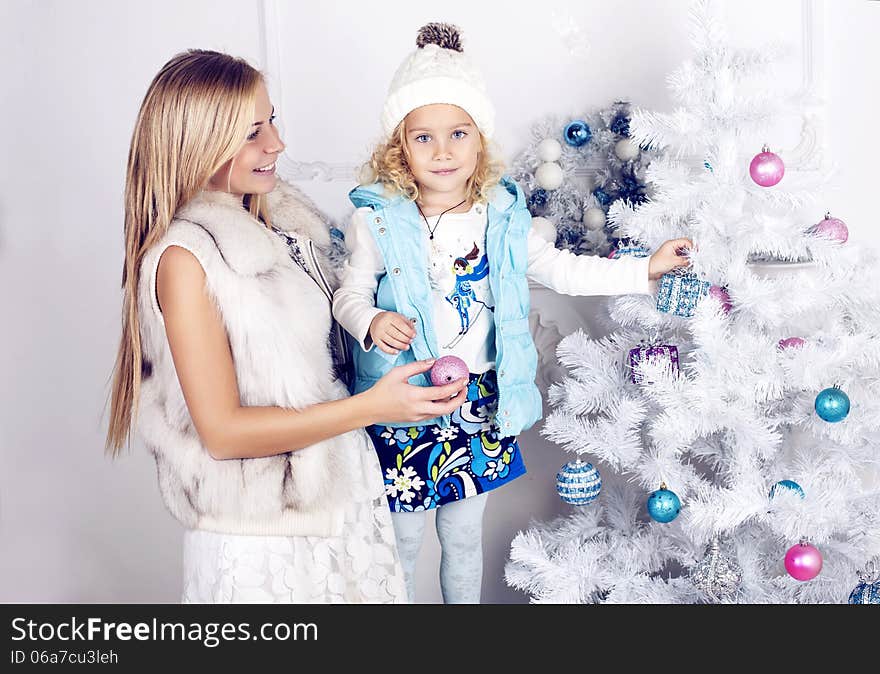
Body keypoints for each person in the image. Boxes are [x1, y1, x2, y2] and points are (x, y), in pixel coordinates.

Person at [332, 23, 693, 603]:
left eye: (458, 133)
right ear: (399, 145)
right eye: (423, 137)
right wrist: (370, 322)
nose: (443, 151)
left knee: (463, 537)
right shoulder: (376, 220)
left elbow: (563, 269)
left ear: (480, 140)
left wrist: (643, 270)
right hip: (400, 401)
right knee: (396, 541)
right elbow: (346, 294)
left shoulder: (501, 218)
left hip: (475, 403)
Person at [104, 49, 468, 603]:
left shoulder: (287, 224)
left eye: (271, 120)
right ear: (197, 142)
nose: (277, 142)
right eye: (253, 131)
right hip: (265, 542)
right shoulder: (186, 257)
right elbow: (224, 434)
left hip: (341, 510)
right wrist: (374, 407)